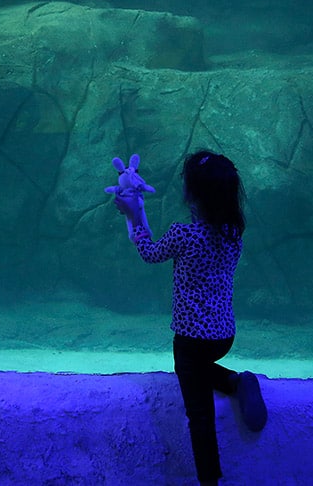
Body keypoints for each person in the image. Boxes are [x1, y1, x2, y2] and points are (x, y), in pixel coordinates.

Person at [113, 150, 267, 485]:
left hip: (190, 340)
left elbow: (149, 253)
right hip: (224, 336)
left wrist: (134, 216)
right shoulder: (233, 235)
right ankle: (235, 382)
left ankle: (210, 480)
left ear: (192, 194)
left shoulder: (184, 235)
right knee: (198, 370)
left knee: (199, 413)